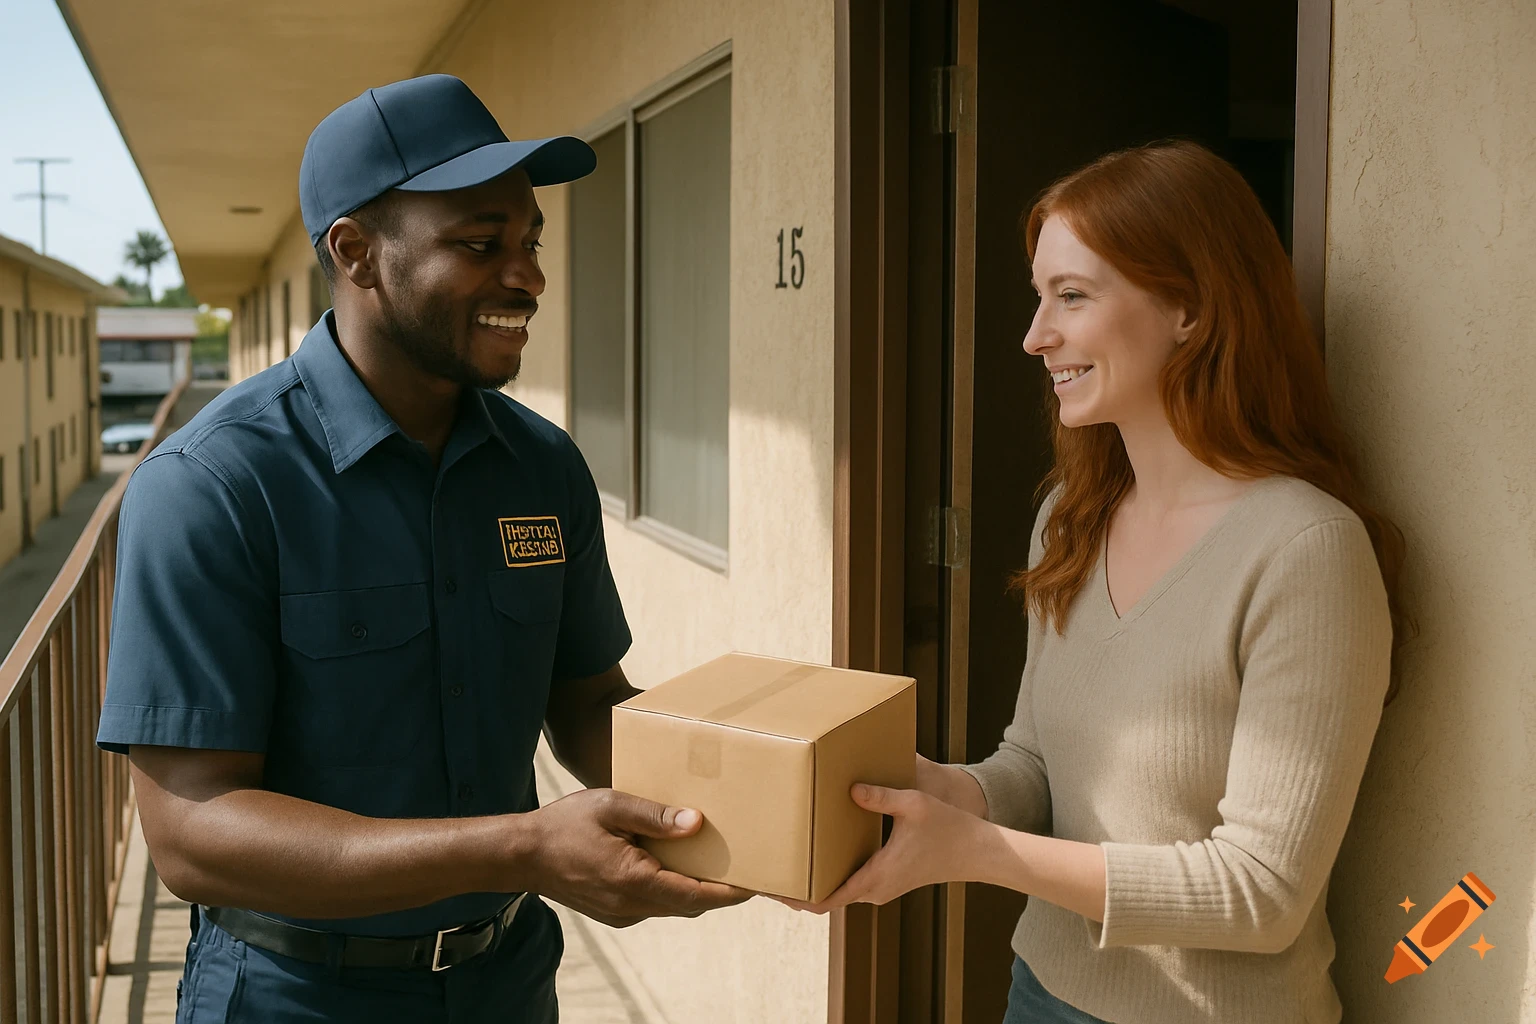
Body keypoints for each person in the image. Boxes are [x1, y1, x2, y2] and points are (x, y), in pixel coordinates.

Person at [97, 74, 749, 1024]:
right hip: (293, 996)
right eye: (481, 244)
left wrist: (758, 802)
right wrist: (523, 846)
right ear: (357, 252)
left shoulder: (542, 466)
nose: (526, 276)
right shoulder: (213, 486)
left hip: (508, 980)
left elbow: (589, 707)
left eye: (529, 243)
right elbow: (193, 833)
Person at [780, 141, 1408, 1024]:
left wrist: (981, 852)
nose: (1035, 336)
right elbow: (1034, 765)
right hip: (1042, 994)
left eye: (1071, 297)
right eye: (1040, 298)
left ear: (1188, 307)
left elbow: (1264, 894)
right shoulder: (1072, 514)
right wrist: (926, 790)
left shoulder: (1305, 548)